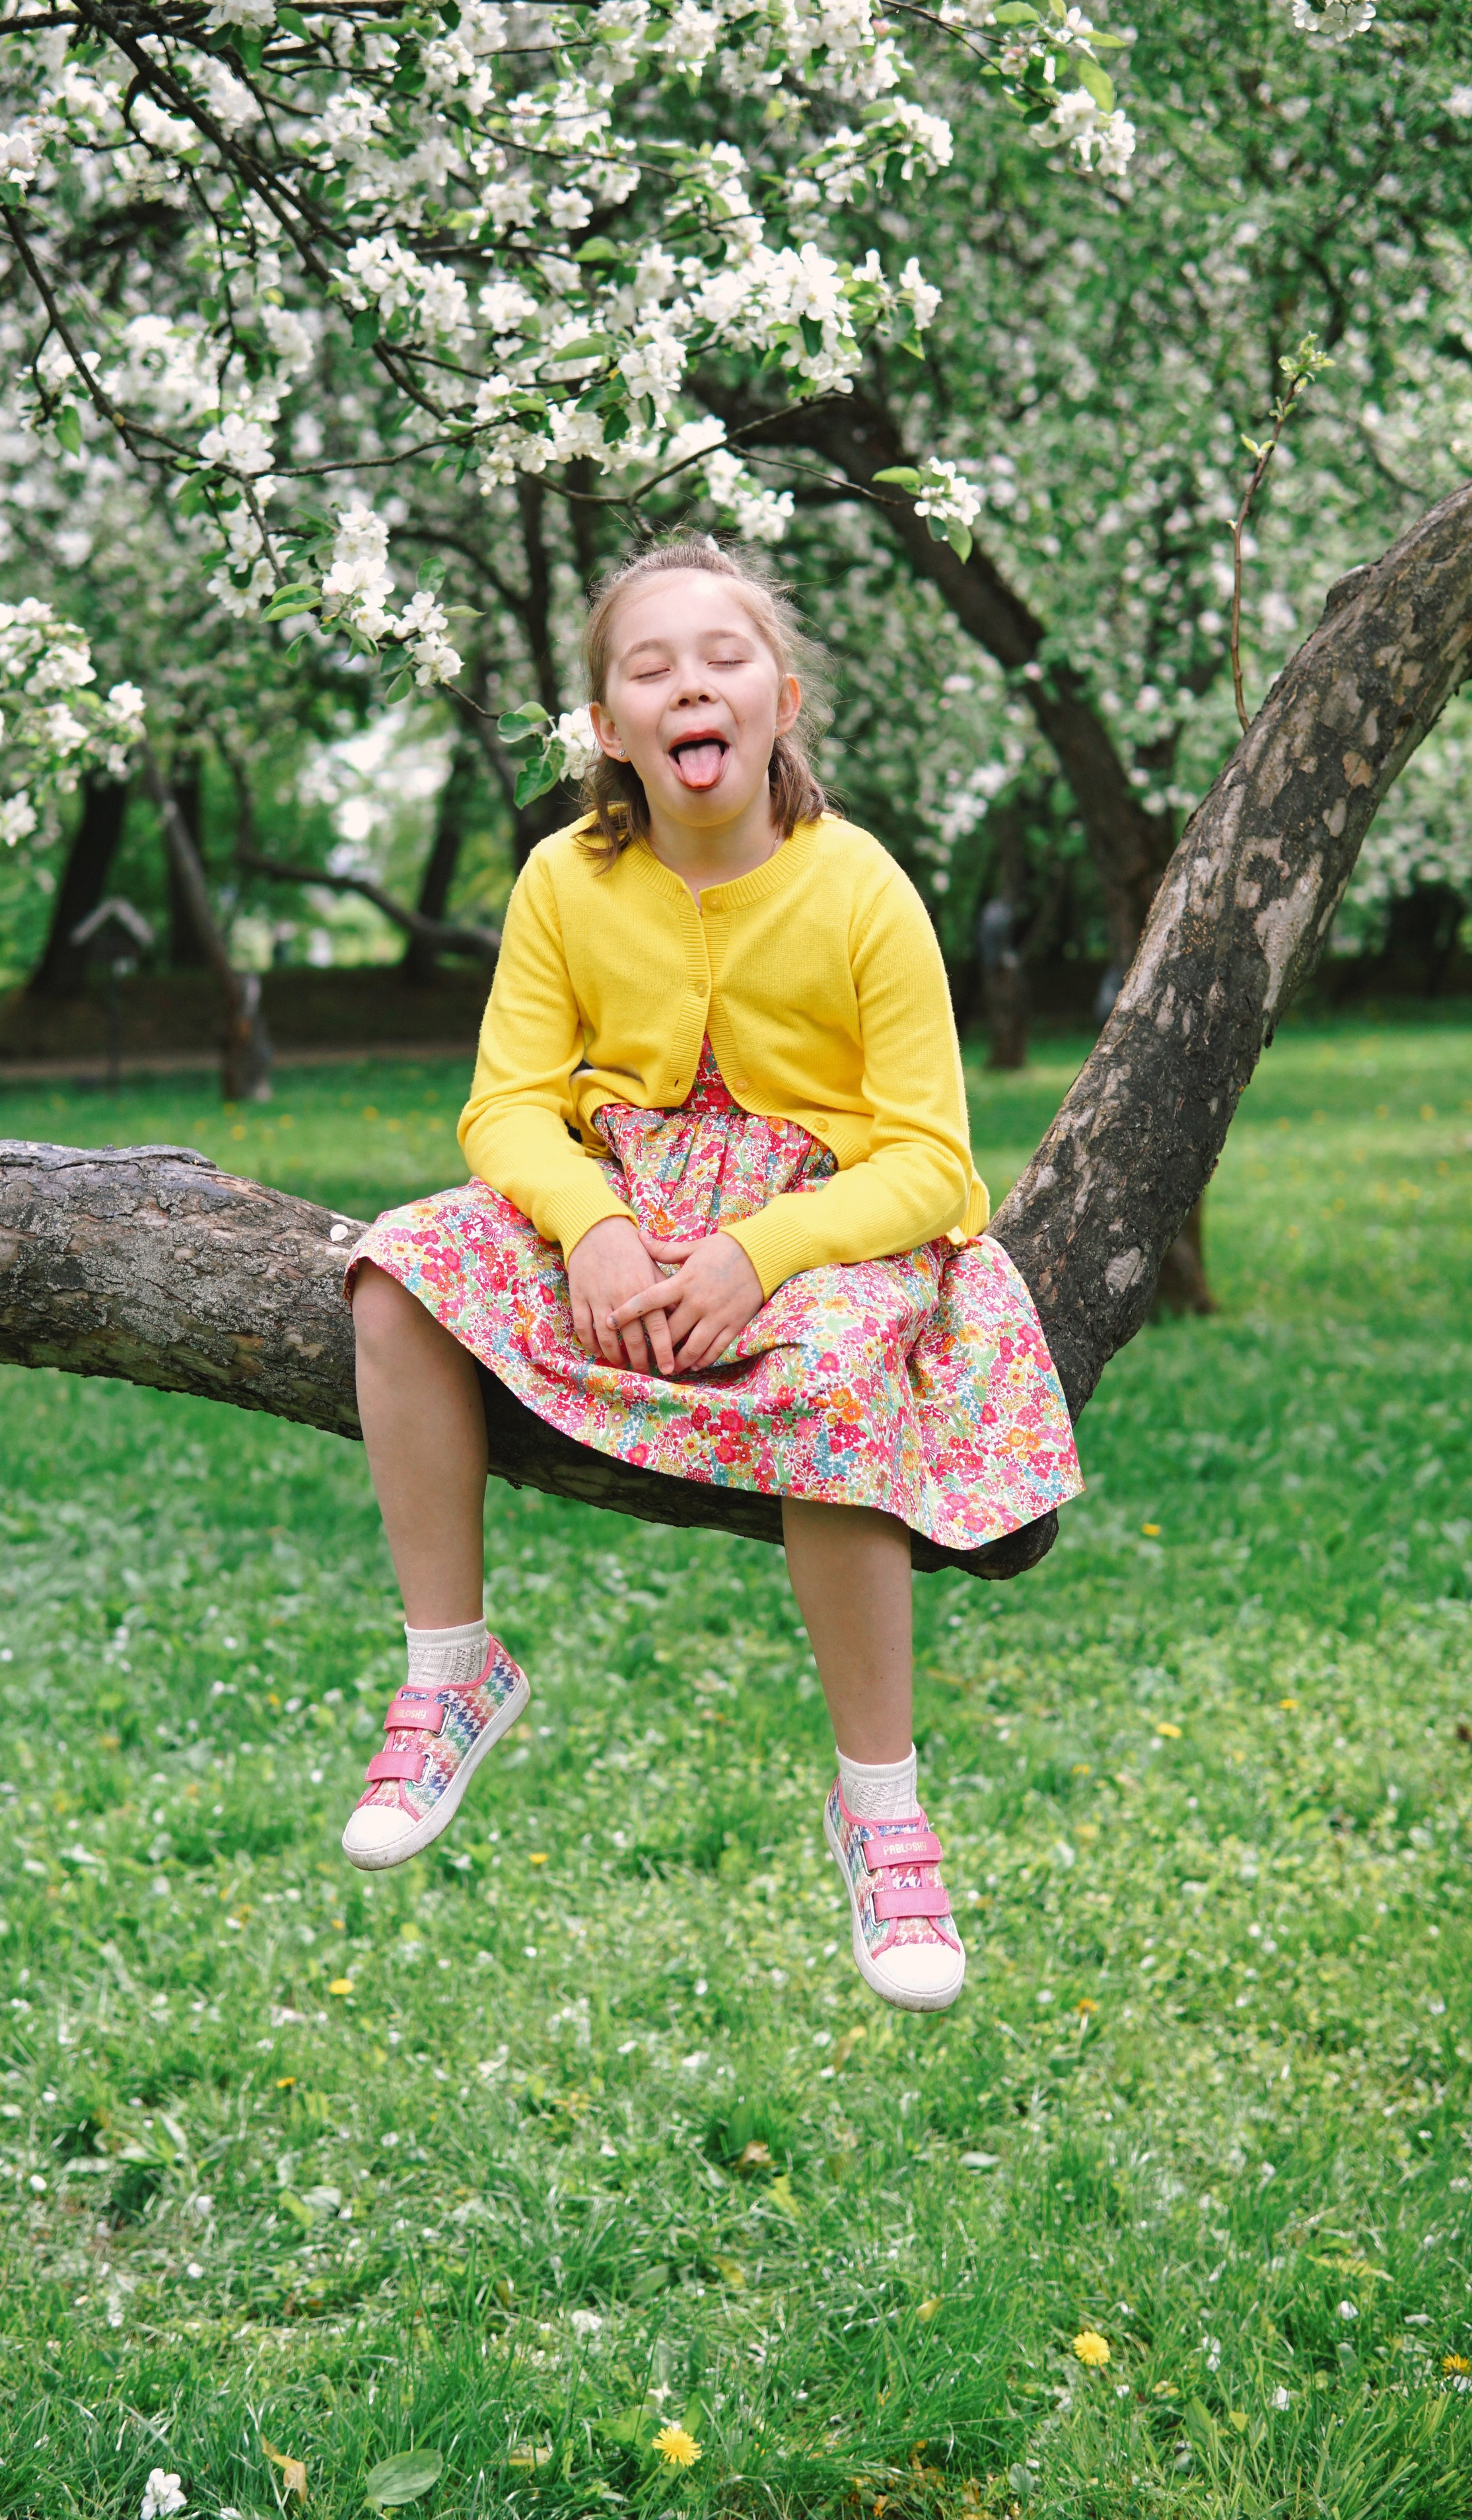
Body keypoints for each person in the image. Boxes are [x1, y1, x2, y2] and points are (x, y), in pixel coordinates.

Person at [343, 535, 1081, 2011]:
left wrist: (760, 1253)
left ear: (781, 701)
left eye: (724, 658)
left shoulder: (860, 886)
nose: (691, 684)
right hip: (622, 1217)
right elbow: (505, 1107)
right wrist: (590, 1226)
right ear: (608, 729)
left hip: (826, 1233)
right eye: (650, 667)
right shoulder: (565, 879)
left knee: (838, 1378)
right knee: (397, 1268)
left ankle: (881, 1809)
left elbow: (931, 1161)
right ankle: (451, 1668)